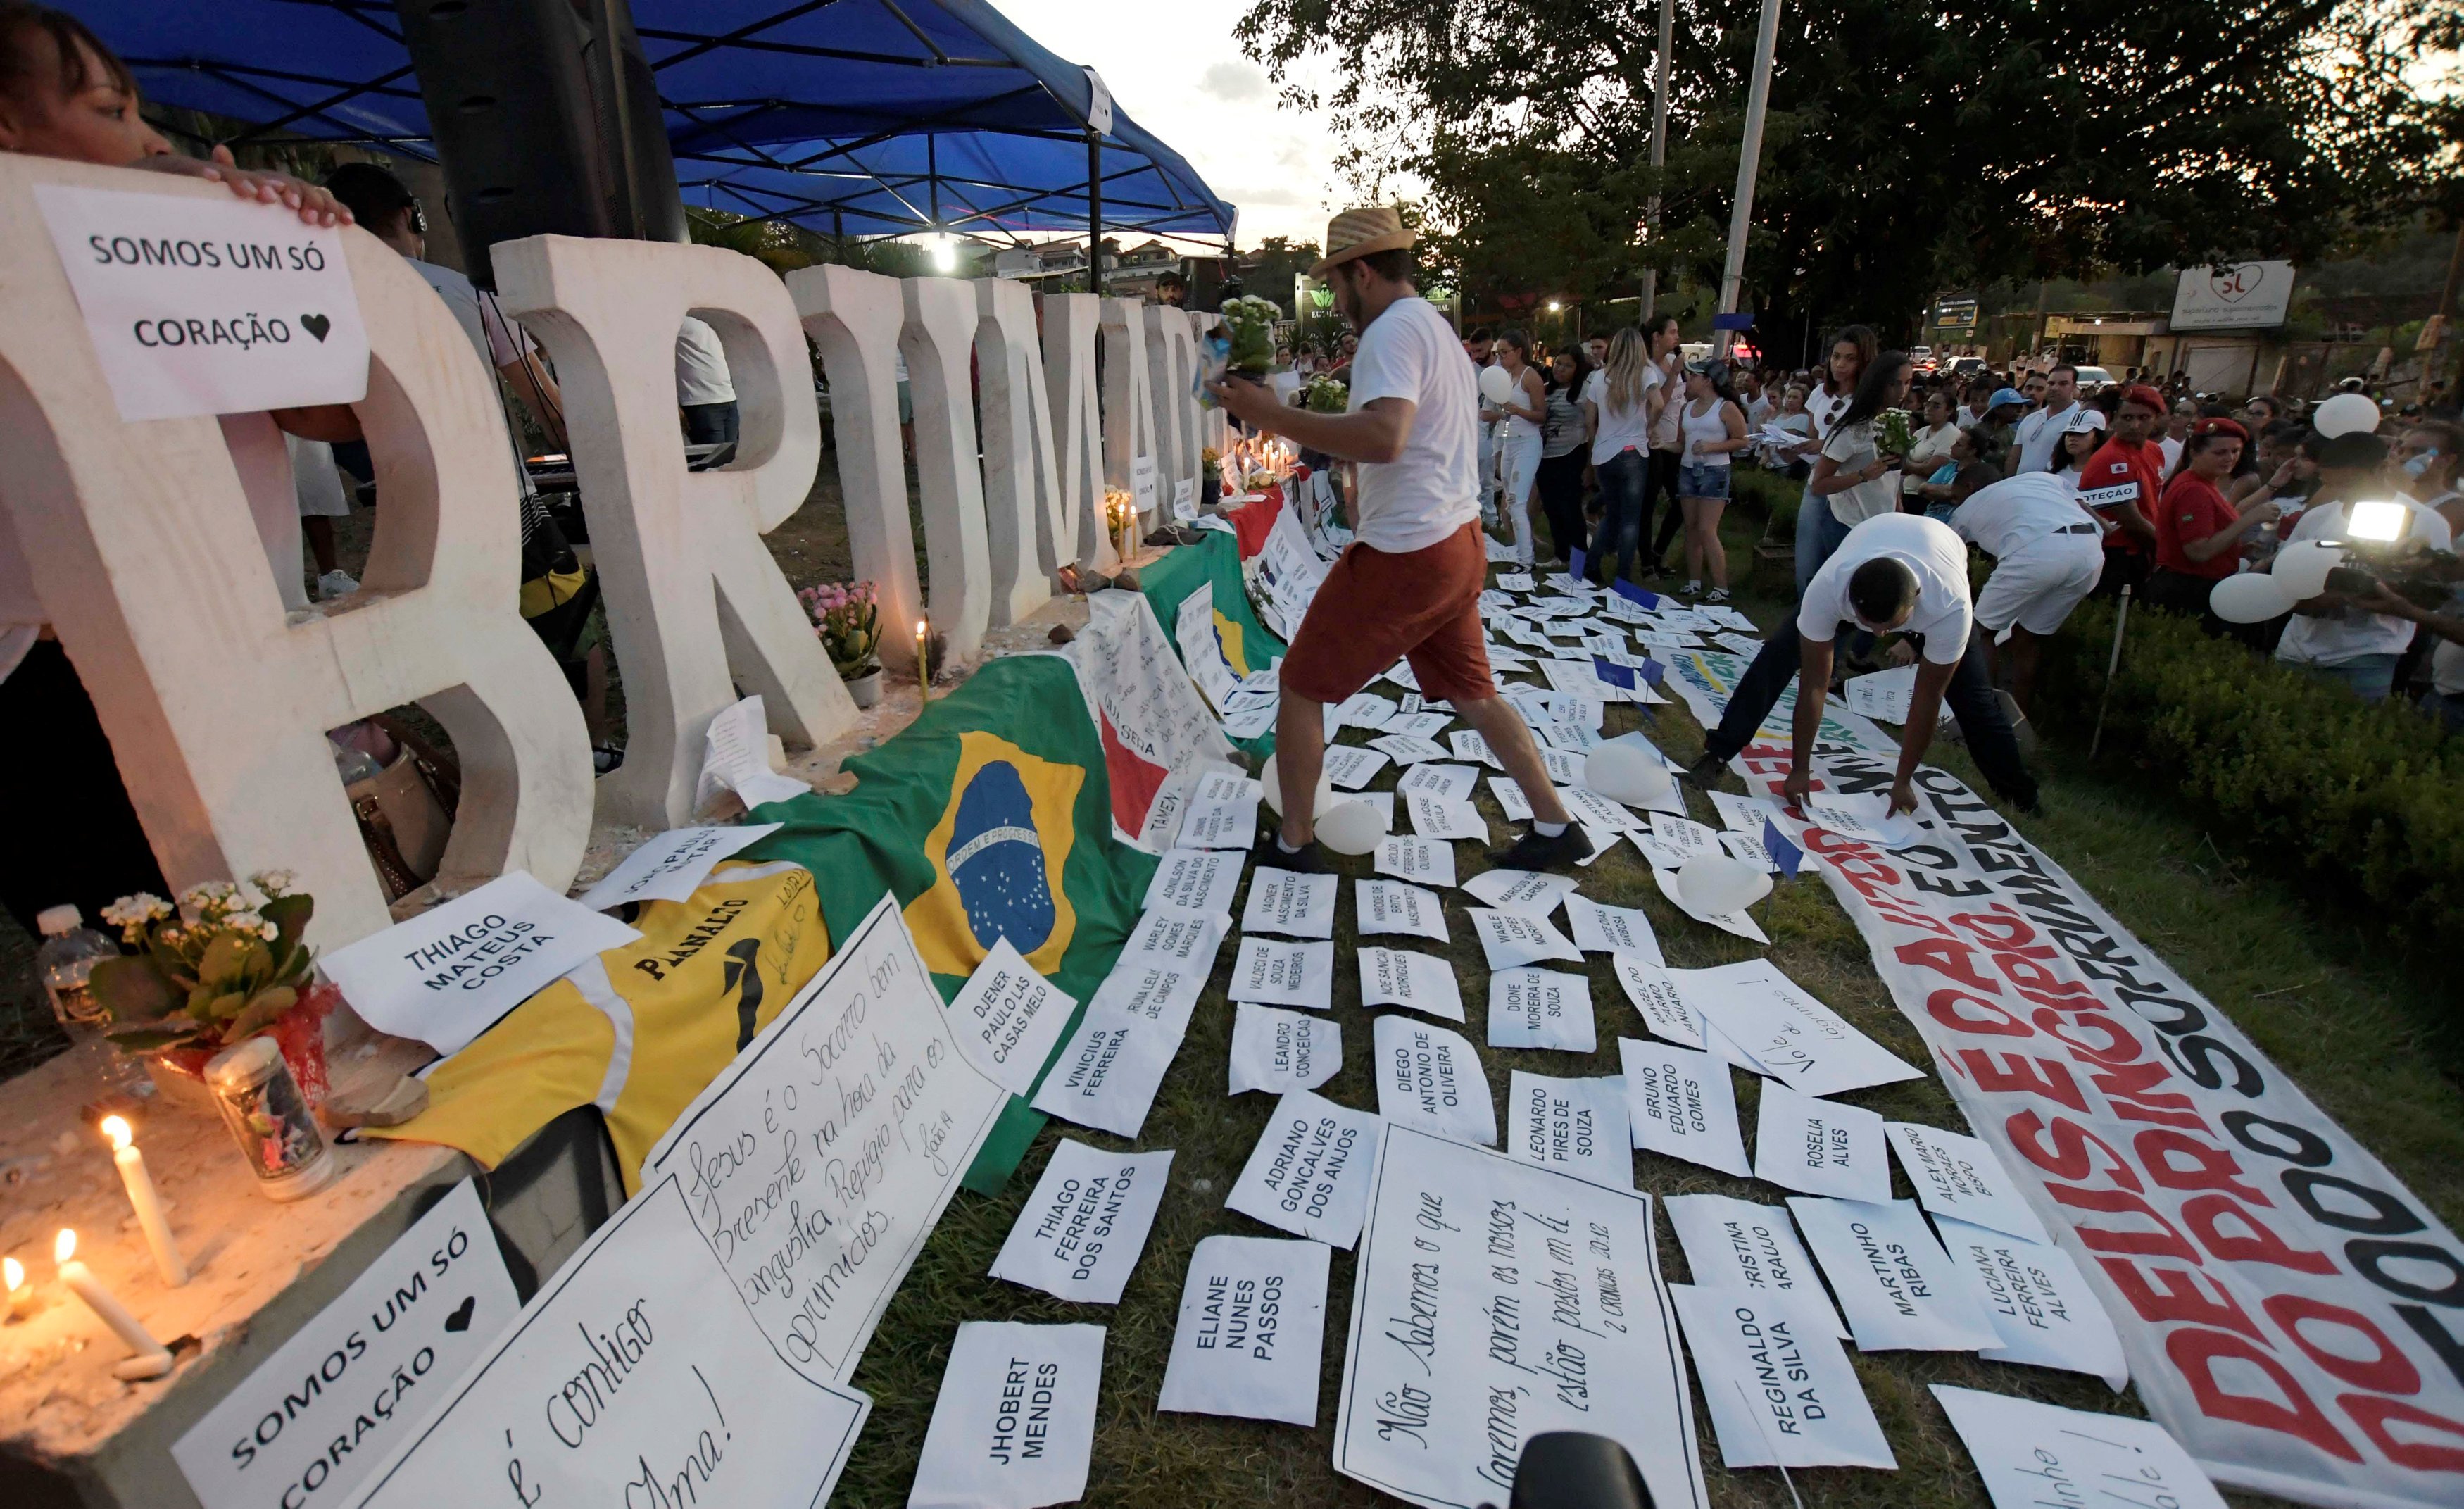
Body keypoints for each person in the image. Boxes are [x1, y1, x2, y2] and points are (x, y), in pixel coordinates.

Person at [0, 3, 353, 937]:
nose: (152, 138)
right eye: (113, 112)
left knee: (297, 907)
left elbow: (328, 412)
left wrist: (269, 258)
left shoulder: (180, 266)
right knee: (164, 961)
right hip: (62, 680)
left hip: (240, 638)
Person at [1207, 206, 1586, 870]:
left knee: (1300, 683)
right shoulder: (1432, 326)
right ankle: (1557, 825)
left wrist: (1271, 413)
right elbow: (1402, 437)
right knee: (1475, 692)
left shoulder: (1390, 333)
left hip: (1410, 551)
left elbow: (1386, 437)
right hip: (1457, 542)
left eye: (1335, 285)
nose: (1335, 300)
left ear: (1362, 273)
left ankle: (1295, 842)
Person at [323, 163, 619, 765]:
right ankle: (588, 750)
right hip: (500, 504)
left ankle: (497, 763)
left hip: (403, 517)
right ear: (410, 216)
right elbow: (547, 405)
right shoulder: (462, 292)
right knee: (566, 621)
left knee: (453, 647)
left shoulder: (321, 295)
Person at [1690, 511, 2040, 815]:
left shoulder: (1951, 607)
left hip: (1941, 554)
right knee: (1776, 658)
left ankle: (2019, 796)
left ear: (1913, 605)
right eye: (1867, 625)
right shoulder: (1829, 588)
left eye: (1889, 628)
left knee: (1974, 700)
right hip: (1874, 542)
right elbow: (1814, 685)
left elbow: (1927, 698)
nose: (1879, 634)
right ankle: (1719, 752)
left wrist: (1903, 782)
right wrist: (1800, 769)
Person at [2273, 431, 2453, 699]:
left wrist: (2380, 591)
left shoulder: (2425, 521)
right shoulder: (2317, 517)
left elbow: (2434, 596)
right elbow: (2283, 575)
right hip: (2296, 650)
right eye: (2330, 484)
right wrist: (2307, 600)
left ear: (2381, 468)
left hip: (2365, 658)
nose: (2341, 494)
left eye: (2350, 485)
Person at [1950, 464, 2104, 716]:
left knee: (1980, 633)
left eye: (1955, 497)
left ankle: (1984, 717)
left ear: (1969, 487)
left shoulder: (1966, 509)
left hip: (2037, 550)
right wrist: (2106, 527)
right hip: (2090, 550)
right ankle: (2021, 718)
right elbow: (2079, 500)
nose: (1955, 504)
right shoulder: (2040, 478)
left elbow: (1947, 555)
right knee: (2027, 637)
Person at [2143, 418, 2282, 637]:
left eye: (2235, 451)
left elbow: (2211, 535)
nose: (2230, 458)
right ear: (2195, 453)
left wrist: (2236, 548)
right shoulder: (2194, 489)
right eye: (2220, 453)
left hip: (2194, 584)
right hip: (2188, 589)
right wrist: (2247, 520)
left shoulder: (2204, 483)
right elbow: (2198, 551)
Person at [1787, 325, 1879, 590]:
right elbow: (1813, 438)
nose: (1840, 365)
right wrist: (1795, 448)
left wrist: (1822, 446)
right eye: (1836, 356)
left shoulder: (1868, 400)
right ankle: (1806, 614)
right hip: (1818, 482)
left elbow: (1865, 446)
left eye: (1850, 359)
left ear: (1863, 361)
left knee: (1843, 562)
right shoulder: (1821, 393)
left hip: (1851, 488)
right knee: (1807, 558)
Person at [1806, 349, 1912, 577]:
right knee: (1845, 591)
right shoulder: (1852, 429)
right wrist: (1863, 475)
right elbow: (1819, 484)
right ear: (1879, 383)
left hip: (1882, 523)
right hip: (1847, 523)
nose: (1902, 391)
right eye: (1895, 384)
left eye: (1908, 383)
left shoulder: (1896, 422)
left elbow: (1892, 475)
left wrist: (1897, 510)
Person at [1581, 326, 1666, 583]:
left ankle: (1591, 566)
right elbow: (1659, 404)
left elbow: (1589, 420)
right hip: (1633, 451)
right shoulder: (1645, 374)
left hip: (1605, 453)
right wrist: (1649, 427)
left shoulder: (1599, 378)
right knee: (1631, 519)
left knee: (1613, 513)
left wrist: (1596, 447)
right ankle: (1623, 576)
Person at [2073, 384, 2168, 598]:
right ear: (2115, 419)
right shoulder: (2111, 458)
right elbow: (2131, 521)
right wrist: (2167, 551)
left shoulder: (2154, 450)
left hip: (2143, 550)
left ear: (2156, 420)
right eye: (2127, 418)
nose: (2135, 425)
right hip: (2116, 555)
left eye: (2144, 418)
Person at [1674, 358, 1748, 602]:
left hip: (1715, 471)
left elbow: (1741, 440)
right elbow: (1681, 444)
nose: (1689, 380)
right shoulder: (1687, 407)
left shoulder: (1725, 407)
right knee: (1692, 529)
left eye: (1694, 376)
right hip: (1688, 470)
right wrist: (1661, 444)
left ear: (1707, 380)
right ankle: (1694, 582)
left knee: (1707, 529)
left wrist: (1712, 446)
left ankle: (1721, 587)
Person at [1481, 329, 1549, 568]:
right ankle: (1519, 550)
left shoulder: (1530, 378)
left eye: (1505, 352)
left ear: (1519, 352)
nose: (1501, 357)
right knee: (1510, 503)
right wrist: (1502, 414)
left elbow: (1542, 415)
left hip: (1527, 443)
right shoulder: (1502, 377)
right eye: (1498, 353)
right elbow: (1485, 413)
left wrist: (1518, 410)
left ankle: (1525, 560)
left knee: (1517, 501)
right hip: (1508, 441)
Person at [1535, 347, 1593, 567]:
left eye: (1567, 365)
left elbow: (1590, 424)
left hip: (1571, 454)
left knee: (1570, 508)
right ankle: (1561, 555)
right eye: (1558, 363)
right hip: (1546, 455)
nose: (1560, 369)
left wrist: (1589, 465)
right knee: (1551, 507)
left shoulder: (1584, 393)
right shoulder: (1546, 390)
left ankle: (1579, 560)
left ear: (1577, 369)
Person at [674, 315, 738, 451]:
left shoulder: (703, 327)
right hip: (703, 404)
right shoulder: (684, 323)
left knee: (725, 458)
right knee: (712, 460)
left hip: (727, 400)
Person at [2396, 419, 2463, 534]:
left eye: (2418, 451)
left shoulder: (2458, 507)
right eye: (2401, 451)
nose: (2403, 458)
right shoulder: (2385, 496)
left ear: (2447, 460)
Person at [2012, 365, 2082, 475]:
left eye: (2063, 384)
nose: (2055, 388)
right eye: (2051, 383)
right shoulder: (2031, 419)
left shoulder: (2080, 419)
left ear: (2074, 387)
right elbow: (2014, 457)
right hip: (2020, 487)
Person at [1901, 389, 1961, 510]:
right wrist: (1915, 465)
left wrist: (1908, 464)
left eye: (1936, 406)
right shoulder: (1920, 432)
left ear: (1949, 411)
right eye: (1927, 404)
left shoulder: (1951, 434)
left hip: (1926, 499)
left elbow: (1930, 469)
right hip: (1907, 493)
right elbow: (1902, 460)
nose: (1929, 409)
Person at [1757, 382, 1814, 474]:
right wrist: (1766, 454)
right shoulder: (1781, 416)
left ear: (1803, 400)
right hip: (1771, 463)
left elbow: (1782, 438)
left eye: (1795, 397)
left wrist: (1766, 437)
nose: (1790, 400)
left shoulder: (1803, 418)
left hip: (1786, 464)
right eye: (1789, 396)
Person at [2049, 407, 2106, 488]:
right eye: (2069, 433)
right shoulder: (2054, 467)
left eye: (2081, 433)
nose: (2072, 439)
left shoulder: (2105, 471)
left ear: (2096, 438)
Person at [2160, 397, 2195, 473]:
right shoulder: (2155, 439)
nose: (2177, 415)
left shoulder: (2192, 447)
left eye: (2186, 414)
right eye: (2176, 411)